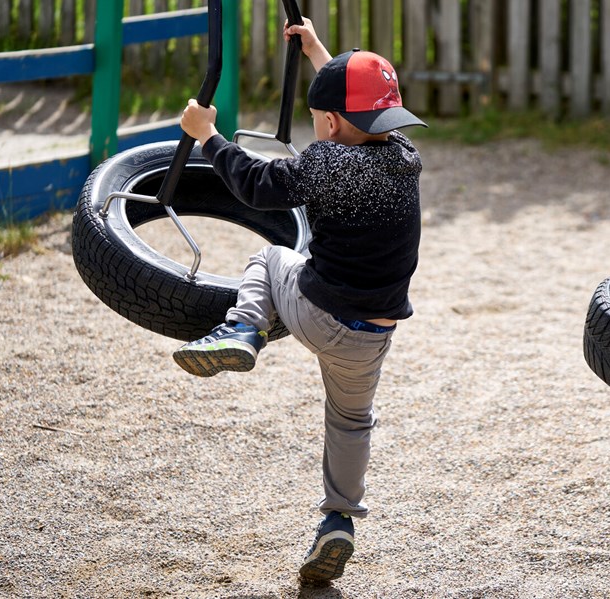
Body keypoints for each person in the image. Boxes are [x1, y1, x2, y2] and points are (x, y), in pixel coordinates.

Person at [173, 15, 427, 584]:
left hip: (320, 312)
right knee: (351, 421)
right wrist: (319, 53)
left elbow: (254, 184)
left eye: (319, 120)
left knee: (268, 257)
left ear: (331, 124)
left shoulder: (324, 162)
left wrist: (206, 136)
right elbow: (358, 107)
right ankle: (339, 519)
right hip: (375, 333)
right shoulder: (406, 158)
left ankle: (242, 328)